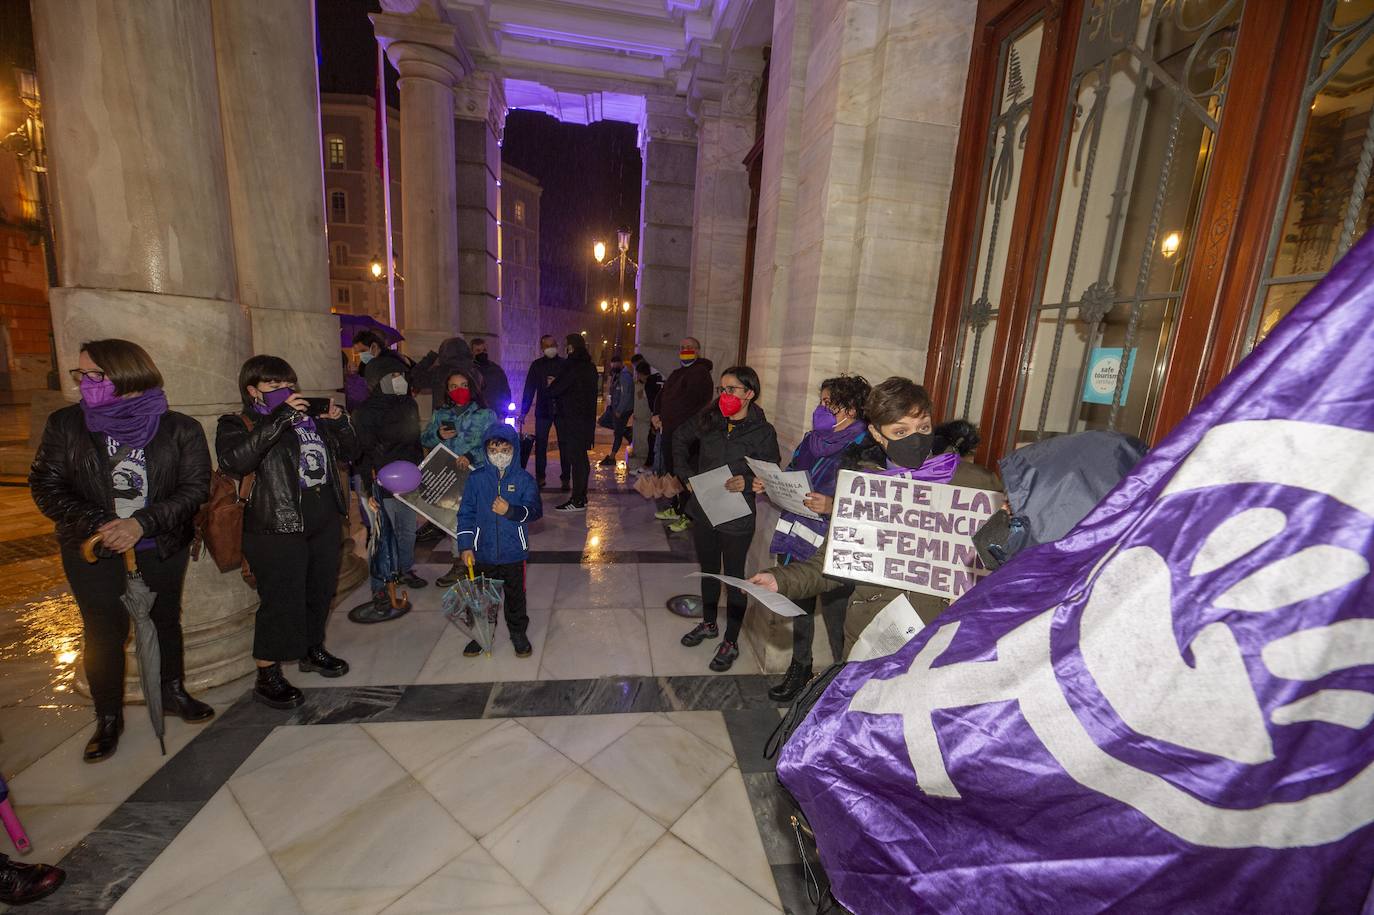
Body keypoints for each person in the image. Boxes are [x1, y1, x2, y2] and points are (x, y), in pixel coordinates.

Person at [31, 339, 214, 761]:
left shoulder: (179, 428)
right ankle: (108, 717)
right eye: (82, 375)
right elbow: (46, 485)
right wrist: (100, 524)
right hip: (95, 549)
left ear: (129, 374)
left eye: (96, 375)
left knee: (165, 620)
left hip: (159, 544)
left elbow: (194, 488)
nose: (85, 384)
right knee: (103, 632)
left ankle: (172, 690)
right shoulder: (66, 424)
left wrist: (141, 524)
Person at [749, 378, 1002, 658]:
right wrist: (780, 580)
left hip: (945, 635)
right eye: (901, 431)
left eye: (923, 427)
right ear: (877, 434)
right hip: (874, 632)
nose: (915, 438)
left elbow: (1001, 562)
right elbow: (834, 561)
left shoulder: (976, 484)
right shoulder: (864, 488)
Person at [216, 355, 359, 709]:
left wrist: (340, 425)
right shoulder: (238, 422)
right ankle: (267, 674)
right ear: (253, 390)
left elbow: (351, 453)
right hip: (275, 525)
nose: (285, 391)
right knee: (280, 601)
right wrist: (280, 418)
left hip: (323, 519)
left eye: (288, 385)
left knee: (319, 591)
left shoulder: (310, 420)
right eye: (274, 386)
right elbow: (235, 461)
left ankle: (312, 649)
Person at [762, 375, 871, 702]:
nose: (820, 408)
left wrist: (833, 505)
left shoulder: (866, 449)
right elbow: (794, 470)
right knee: (800, 608)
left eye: (828, 403)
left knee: (839, 619)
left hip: (836, 545)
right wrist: (774, 484)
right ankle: (800, 667)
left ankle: (842, 684)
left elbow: (873, 504)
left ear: (850, 409)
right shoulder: (812, 440)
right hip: (799, 536)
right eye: (821, 401)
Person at [675, 366, 781, 672]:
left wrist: (747, 482)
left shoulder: (763, 432)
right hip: (705, 508)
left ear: (749, 394)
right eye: (722, 389)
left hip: (737, 517)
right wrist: (686, 477)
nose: (724, 395)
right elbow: (678, 439)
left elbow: (770, 474)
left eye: (731, 389)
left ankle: (731, 641)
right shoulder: (710, 419)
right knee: (709, 572)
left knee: (733, 578)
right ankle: (709, 624)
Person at [454, 423, 543, 657]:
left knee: (515, 597)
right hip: (483, 551)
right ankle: (483, 633)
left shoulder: (524, 479)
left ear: (514, 450)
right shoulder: (477, 479)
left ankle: (518, 633)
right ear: (486, 451)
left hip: (514, 553)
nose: (499, 455)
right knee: (483, 597)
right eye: (494, 450)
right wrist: (465, 546)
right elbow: (466, 514)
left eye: (505, 449)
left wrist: (510, 511)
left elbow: (534, 511)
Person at [352, 362, 427, 598]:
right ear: (379, 379)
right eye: (394, 374)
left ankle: (404, 569)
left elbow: (415, 442)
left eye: (402, 374)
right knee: (383, 533)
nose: (400, 379)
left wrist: (419, 472)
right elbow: (362, 453)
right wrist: (368, 485)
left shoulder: (408, 404)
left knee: (408, 530)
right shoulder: (365, 411)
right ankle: (381, 583)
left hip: (407, 479)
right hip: (381, 480)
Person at [422, 369, 497, 587]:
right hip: (450, 477)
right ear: (447, 390)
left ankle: (482, 563)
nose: (458, 390)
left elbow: (496, 444)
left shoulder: (485, 414)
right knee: (455, 522)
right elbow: (424, 438)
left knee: (481, 521)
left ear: (472, 387)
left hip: (478, 476)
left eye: (463, 385)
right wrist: (437, 435)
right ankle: (460, 564)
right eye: (453, 387)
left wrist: (472, 455)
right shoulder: (440, 414)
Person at [652, 337, 715, 532]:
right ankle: (677, 507)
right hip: (670, 431)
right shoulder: (677, 373)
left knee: (687, 474)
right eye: (682, 347)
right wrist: (657, 414)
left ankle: (688, 514)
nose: (685, 350)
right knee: (673, 472)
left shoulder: (701, 374)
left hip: (687, 436)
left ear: (698, 350)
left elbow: (694, 405)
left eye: (690, 347)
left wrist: (674, 422)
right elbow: (662, 397)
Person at [546, 333, 599, 512]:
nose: (565, 349)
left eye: (567, 345)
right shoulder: (590, 367)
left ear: (572, 347)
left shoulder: (573, 366)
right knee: (582, 459)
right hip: (585, 420)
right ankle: (581, 497)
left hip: (573, 420)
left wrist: (553, 383)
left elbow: (556, 389)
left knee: (577, 460)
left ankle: (578, 499)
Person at [519, 335, 566, 489]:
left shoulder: (565, 365)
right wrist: (523, 411)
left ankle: (566, 477)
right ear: (542, 348)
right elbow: (529, 389)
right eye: (546, 345)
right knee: (540, 445)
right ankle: (540, 476)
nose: (550, 347)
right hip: (543, 410)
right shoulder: (537, 365)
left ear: (557, 345)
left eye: (552, 344)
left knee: (564, 445)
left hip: (562, 410)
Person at [599, 353, 635, 466]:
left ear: (620, 364)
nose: (613, 368)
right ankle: (626, 431)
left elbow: (626, 395)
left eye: (615, 365)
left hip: (622, 410)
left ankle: (612, 457)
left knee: (617, 433)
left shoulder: (625, 376)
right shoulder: (616, 375)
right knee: (602, 421)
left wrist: (620, 410)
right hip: (614, 408)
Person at [628, 357, 662, 472]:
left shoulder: (649, 386)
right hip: (640, 419)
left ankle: (642, 467)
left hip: (646, 420)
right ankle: (639, 466)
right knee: (640, 443)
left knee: (643, 444)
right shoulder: (640, 385)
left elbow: (647, 404)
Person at [470, 336, 512, 420]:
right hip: (476, 417)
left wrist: (503, 411)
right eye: (478, 351)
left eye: (484, 350)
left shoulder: (496, 369)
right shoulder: (469, 371)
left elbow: (505, 390)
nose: (482, 353)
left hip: (495, 414)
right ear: (472, 352)